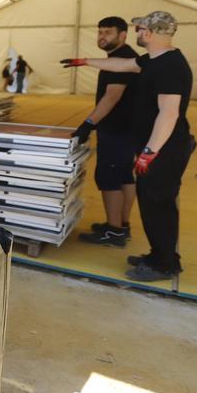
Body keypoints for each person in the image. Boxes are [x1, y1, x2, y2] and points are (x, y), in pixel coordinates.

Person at [62, 11, 194, 282]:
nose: (137, 33)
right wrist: (85, 61)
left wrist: (150, 152)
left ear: (149, 33)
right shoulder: (152, 59)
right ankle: (159, 255)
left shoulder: (171, 66)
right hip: (155, 146)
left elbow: (169, 113)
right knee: (151, 203)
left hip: (164, 148)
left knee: (159, 205)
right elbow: (122, 65)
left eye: (139, 29)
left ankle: (164, 264)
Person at [72, 17, 139, 247]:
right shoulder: (122, 57)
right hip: (127, 128)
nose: (102, 36)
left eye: (108, 32)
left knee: (109, 177)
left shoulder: (121, 60)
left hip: (116, 129)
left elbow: (112, 96)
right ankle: (121, 224)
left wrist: (88, 124)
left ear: (123, 35)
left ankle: (114, 232)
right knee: (124, 176)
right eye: (100, 32)